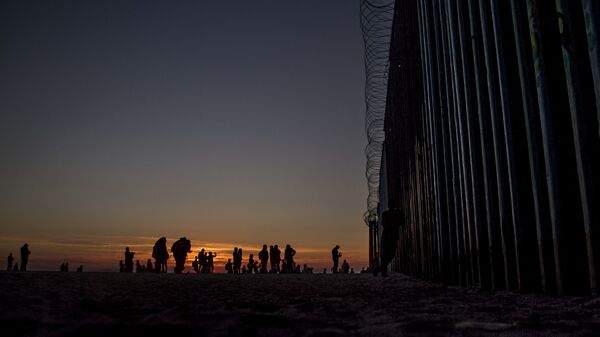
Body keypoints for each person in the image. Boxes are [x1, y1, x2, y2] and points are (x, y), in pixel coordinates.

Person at [373, 201, 404, 277]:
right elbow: (386, 224)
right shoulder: (387, 214)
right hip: (389, 237)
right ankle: (382, 272)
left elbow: (399, 222)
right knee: (387, 255)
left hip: (389, 237)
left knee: (389, 255)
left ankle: (378, 270)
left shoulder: (389, 214)